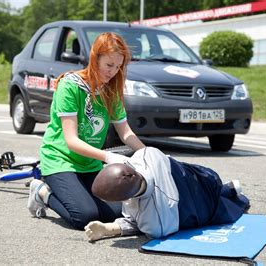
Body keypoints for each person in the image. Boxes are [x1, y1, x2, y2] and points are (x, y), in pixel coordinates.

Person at [27, 32, 146, 230]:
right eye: (109, 65)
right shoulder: (70, 86)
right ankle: (41, 191)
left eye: (118, 67)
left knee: (116, 214)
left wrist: (147, 154)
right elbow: (71, 140)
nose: (113, 72)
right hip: (60, 160)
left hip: (89, 163)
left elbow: (126, 133)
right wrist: (108, 157)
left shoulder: (111, 90)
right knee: (84, 216)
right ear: (95, 57)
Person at [84, 147, 251, 241]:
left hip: (195, 201)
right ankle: (227, 189)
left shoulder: (157, 222)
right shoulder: (146, 154)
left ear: (126, 198)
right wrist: (106, 228)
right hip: (202, 177)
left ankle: (232, 194)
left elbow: (137, 225)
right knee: (212, 185)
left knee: (225, 206)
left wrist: (111, 228)